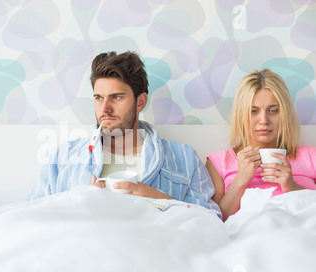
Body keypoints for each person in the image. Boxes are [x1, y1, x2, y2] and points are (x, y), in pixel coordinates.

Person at [26, 51, 220, 214]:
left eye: (116, 97)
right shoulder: (62, 158)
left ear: (141, 102)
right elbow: (30, 218)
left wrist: (160, 200)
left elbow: (210, 222)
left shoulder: (184, 159)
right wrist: (79, 202)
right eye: (98, 98)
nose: (105, 108)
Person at [206, 68, 316, 221]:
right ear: (241, 114)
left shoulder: (310, 156)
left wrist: (293, 187)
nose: (263, 120)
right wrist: (241, 179)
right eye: (253, 111)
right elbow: (214, 220)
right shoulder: (218, 163)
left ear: (284, 114)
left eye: (273, 110)